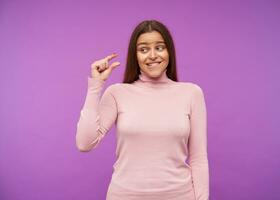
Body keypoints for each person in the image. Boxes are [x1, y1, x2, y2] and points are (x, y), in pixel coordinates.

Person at [76, 19, 209, 200]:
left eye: (160, 47)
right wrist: (95, 86)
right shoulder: (117, 93)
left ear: (169, 51)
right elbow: (84, 143)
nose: (152, 55)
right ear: (135, 55)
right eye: (143, 49)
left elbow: (198, 159)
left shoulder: (191, 93)